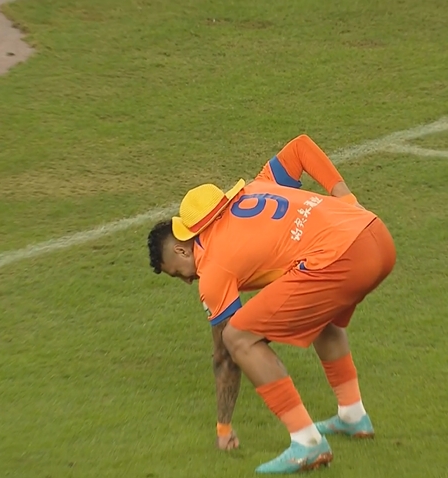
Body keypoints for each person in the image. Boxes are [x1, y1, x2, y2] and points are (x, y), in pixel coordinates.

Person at [146, 134, 397, 474]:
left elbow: (225, 356)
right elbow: (301, 147)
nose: (187, 281)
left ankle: (307, 442)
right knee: (319, 315)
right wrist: (347, 198)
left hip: (343, 258)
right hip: (375, 235)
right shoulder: (259, 186)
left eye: (178, 273)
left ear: (181, 249)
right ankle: (352, 415)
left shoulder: (212, 268)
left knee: (238, 337)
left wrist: (223, 427)